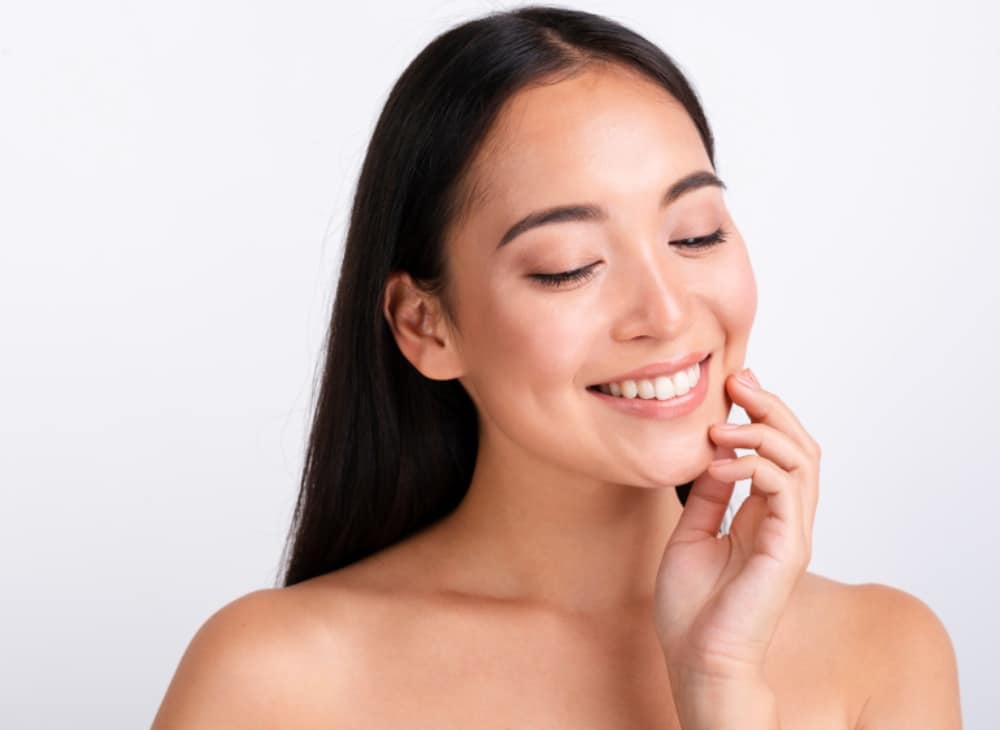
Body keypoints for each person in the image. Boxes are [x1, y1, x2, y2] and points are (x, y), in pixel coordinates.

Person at [152, 6, 961, 728]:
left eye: (696, 233)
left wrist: (720, 687)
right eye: (570, 265)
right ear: (425, 325)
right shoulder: (273, 680)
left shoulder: (883, 655)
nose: (668, 313)